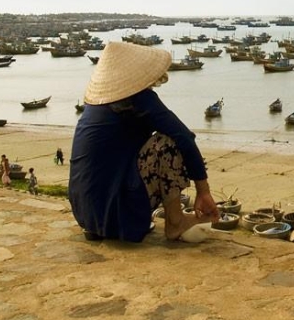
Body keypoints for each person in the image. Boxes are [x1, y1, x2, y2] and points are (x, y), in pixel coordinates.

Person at [69, 41, 220, 243]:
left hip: (87, 214)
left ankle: (117, 223)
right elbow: (184, 137)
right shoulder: (138, 98)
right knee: (167, 143)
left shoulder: (95, 105)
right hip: (113, 210)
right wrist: (204, 191)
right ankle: (176, 222)